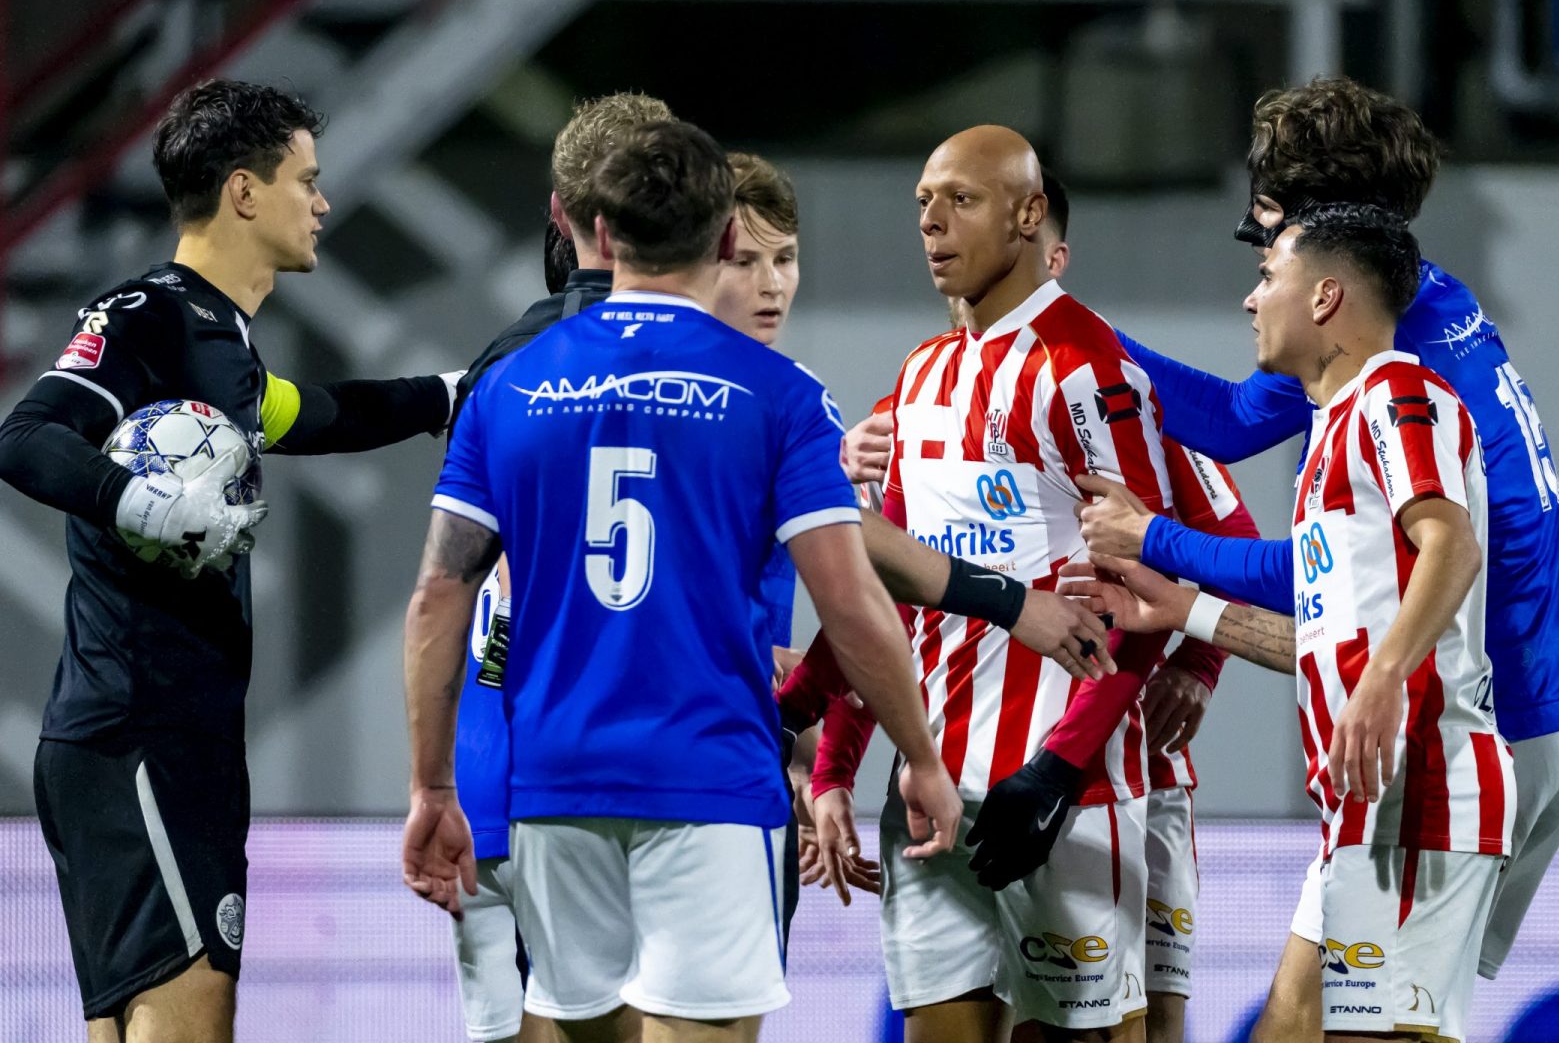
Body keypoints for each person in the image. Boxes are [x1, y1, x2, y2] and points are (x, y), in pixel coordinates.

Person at [1053, 78, 1559, 1039]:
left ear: (1323, 264)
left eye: (1270, 232)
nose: (1254, 266)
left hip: (1465, 725)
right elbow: (1281, 507)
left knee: (1394, 1027)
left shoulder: (1397, 381)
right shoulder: (1411, 322)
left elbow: (1423, 552)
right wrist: (1182, 600)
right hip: (1520, 709)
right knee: (1297, 1022)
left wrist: (1153, 535)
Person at [403, 119, 964, 1043]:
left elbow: (437, 595)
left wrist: (432, 789)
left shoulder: (508, 387)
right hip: (707, 781)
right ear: (727, 238)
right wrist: (921, 755)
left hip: (553, 786)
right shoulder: (780, 396)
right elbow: (851, 601)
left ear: (604, 235)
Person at [0, 79, 461, 1043]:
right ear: (244, 192)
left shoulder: (222, 348)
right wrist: (139, 497)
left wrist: (451, 393)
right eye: (307, 180)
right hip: (140, 732)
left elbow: (318, 415)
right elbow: (28, 434)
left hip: (161, 734)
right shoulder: (148, 314)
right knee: (192, 1011)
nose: (322, 202)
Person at [795, 125, 1185, 1043]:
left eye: (959, 201)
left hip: (1067, 793)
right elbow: (882, 589)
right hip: (930, 788)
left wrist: (1058, 768)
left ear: (1028, 213)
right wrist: (835, 766)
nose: (931, 223)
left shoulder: (1092, 374)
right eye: (923, 203)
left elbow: (1151, 593)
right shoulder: (919, 377)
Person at [446, 89, 678, 1043]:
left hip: (497, 754)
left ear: (560, 214)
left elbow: (453, 584)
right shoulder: (720, 371)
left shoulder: (505, 367)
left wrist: (430, 785)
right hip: (653, 765)